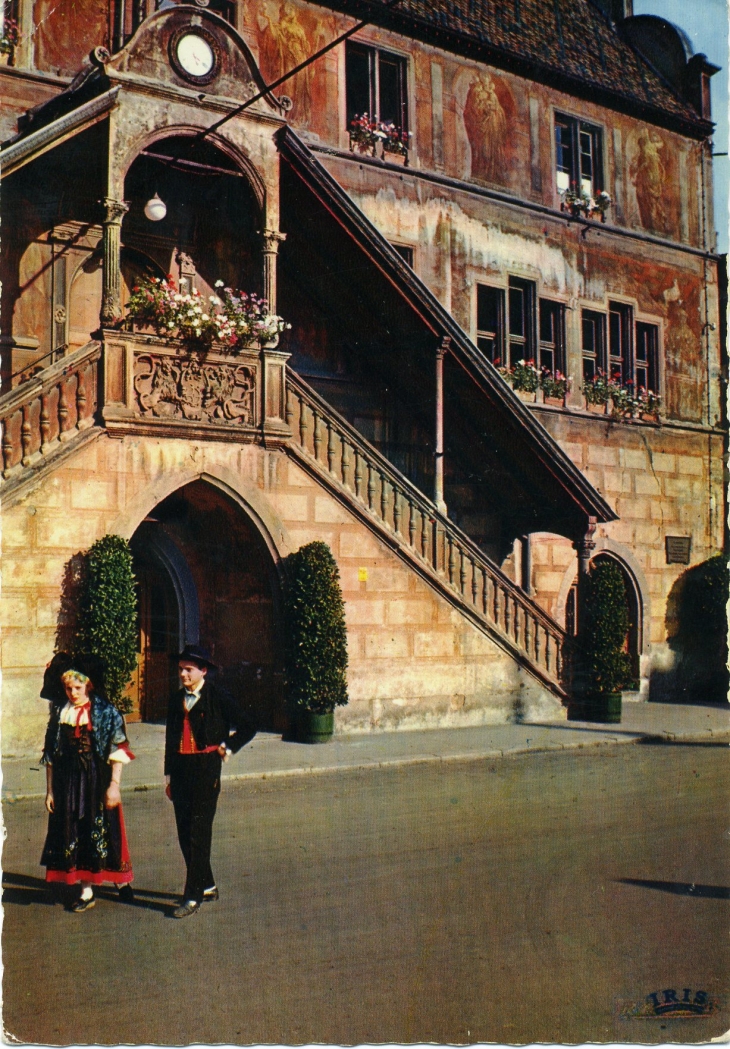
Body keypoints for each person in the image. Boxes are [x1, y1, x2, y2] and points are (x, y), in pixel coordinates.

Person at [165, 644, 256, 918]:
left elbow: (249, 725)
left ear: (203, 671)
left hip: (206, 771)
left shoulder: (218, 696)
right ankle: (207, 885)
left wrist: (227, 746)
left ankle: (192, 897)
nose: (183, 675)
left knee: (198, 833)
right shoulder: (175, 699)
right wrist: (169, 775)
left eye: (189, 670)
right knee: (185, 834)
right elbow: (171, 740)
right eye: (180, 669)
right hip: (181, 772)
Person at [40, 654, 135, 912]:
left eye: (78, 688)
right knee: (76, 830)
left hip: (96, 779)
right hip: (68, 781)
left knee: (108, 831)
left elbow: (117, 748)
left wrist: (114, 785)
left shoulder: (105, 711)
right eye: (68, 688)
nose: (72, 693)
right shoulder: (60, 713)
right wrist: (50, 791)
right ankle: (86, 890)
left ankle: (119, 880)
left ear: (89, 686)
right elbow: (50, 755)